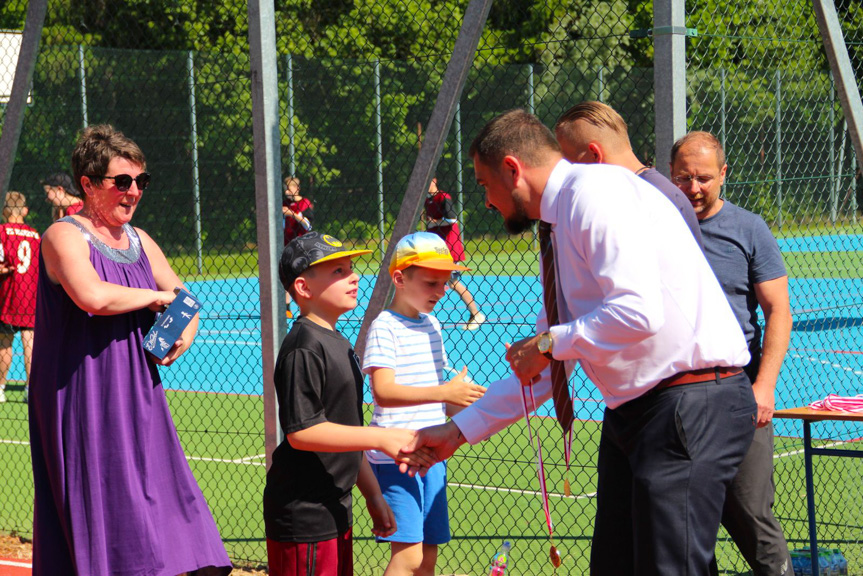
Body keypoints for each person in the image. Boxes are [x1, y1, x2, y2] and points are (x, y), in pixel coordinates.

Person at [401, 109, 758, 575]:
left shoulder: (594, 194)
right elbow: (547, 367)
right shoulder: (562, 218)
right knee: (614, 565)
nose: (486, 201)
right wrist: (457, 431)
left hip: (687, 402)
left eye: (485, 184)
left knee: (672, 567)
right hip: (638, 411)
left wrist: (551, 342)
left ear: (513, 168)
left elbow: (637, 313)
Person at [28, 125, 232, 575]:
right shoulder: (63, 235)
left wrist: (185, 326)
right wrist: (156, 299)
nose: (134, 191)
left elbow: (185, 295)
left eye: (141, 181)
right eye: (122, 182)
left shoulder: (141, 240)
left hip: (139, 394)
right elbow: (92, 296)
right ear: (87, 184)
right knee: (106, 510)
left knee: (165, 506)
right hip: (83, 394)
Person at [264, 231, 432, 576]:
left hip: (335, 508)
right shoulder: (303, 347)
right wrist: (381, 438)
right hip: (305, 515)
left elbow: (349, 430)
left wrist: (372, 496)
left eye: (351, 267)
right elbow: (303, 432)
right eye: (337, 271)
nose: (354, 276)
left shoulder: (339, 342)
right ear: (303, 288)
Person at [670, 131, 794, 576]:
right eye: (684, 178)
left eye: (704, 177)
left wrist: (764, 387)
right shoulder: (657, 227)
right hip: (675, 398)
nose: (694, 188)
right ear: (670, 175)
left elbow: (778, 309)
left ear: (723, 174)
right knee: (684, 525)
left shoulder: (748, 228)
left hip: (739, 391)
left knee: (751, 515)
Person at [364, 232, 487, 576]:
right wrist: (444, 393)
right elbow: (384, 392)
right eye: (432, 282)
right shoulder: (384, 326)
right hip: (396, 458)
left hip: (431, 457)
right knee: (408, 558)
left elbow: (439, 399)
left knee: (428, 555)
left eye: (445, 282)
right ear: (400, 279)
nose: (442, 291)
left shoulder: (432, 325)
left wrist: (473, 408)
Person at [553, 101, 703, 248]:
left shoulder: (656, 197)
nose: (567, 173)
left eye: (569, 162)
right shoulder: (635, 191)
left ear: (595, 154)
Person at [423, 178, 485, 330]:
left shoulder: (443, 197)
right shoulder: (426, 201)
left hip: (450, 248)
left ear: (435, 180)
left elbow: (452, 219)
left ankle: (476, 314)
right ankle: (419, 315)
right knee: (431, 279)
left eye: (428, 181)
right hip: (437, 248)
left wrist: (434, 222)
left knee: (453, 282)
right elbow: (429, 221)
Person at [0, 192, 40, 404]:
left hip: (8, 296)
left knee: (5, 343)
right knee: (30, 342)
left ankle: (0, 387)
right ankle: (30, 388)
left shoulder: (2, 231)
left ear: (5, 210)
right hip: (31, 296)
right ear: (24, 211)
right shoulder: (35, 234)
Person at [282, 176, 314, 318]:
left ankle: (308, 307)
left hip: (303, 246)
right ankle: (286, 308)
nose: (287, 191)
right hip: (287, 246)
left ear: (297, 188)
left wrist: (293, 214)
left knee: (305, 277)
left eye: (290, 188)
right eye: (285, 188)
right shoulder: (283, 204)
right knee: (287, 277)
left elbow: (308, 225)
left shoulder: (305, 203)